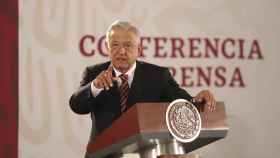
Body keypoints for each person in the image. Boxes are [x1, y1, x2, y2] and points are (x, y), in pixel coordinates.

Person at [69, 20, 216, 157]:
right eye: (115, 45)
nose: (121, 51)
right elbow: (76, 105)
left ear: (139, 49)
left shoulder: (158, 76)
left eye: (127, 45)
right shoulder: (94, 74)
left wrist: (198, 101)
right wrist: (95, 87)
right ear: (107, 47)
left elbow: (182, 103)